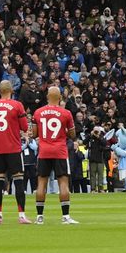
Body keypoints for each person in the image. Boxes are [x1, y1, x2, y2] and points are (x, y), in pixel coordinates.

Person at [31, 86, 79, 224]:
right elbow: (72, 134)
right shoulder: (66, 113)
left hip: (44, 151)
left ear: (47, 97)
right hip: (60, 151)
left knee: (41, 183)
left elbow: (34, 134)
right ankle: (65, 216)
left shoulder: (38, 112)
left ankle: (39, 217)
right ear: (60, 98)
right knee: (63, 183)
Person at [0, 79, 30, 224]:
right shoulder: (17, 105)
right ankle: (21, 215)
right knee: (18, 180)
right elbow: (24, 127)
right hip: (13, 148)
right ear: (11, 91)